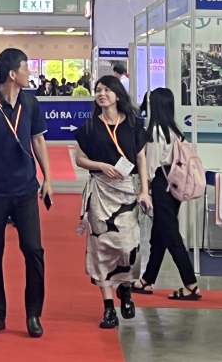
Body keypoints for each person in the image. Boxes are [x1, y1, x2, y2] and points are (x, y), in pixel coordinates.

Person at [0, 48, 52, 338]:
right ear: (13, 74)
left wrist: (47, 178)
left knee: (34, 251)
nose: (29, 73)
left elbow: (38, 141)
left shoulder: (31, 103)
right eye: (26, 68)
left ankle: (33, 314)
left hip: (26, 189)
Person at [74, 75, 153, 329]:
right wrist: (100, 165)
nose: (102, 94)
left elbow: (141, 159)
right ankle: (108, 307)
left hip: (127, 191)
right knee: (101, 248)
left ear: (117, 94)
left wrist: (145, 191)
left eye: (107, 89)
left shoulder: (132, 125)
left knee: (128, 246)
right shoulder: (90, 126)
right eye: (98, 90)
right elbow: (79, 159)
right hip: (101, 191)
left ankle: (125, 288)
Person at [131, 88, 199, 301]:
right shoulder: (174, 130)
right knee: (159, 235)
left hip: (162, 184)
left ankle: (191, 284)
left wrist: (145, 188)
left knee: (170, 235)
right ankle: (147, 280)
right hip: (174, 185)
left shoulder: (155, 131)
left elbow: (150, 165)